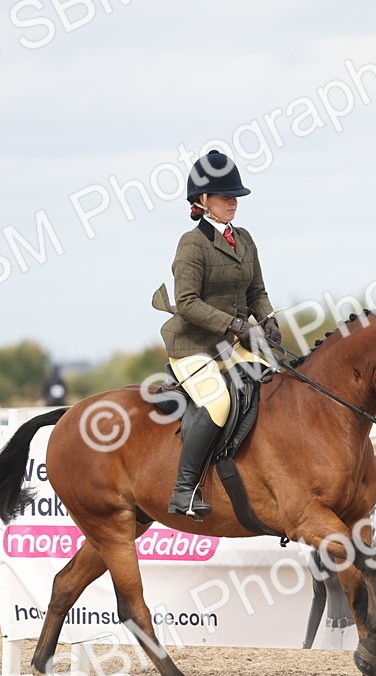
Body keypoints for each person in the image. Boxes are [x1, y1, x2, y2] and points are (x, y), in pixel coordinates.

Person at [150, 150, 282, 520]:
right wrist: (233, 324)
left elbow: (256, 291)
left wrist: (267, 318)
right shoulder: (192, 244)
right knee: (218, 403)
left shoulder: (244, 239)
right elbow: (187, 302)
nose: (233, 202)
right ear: (202, 200)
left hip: (232, 343)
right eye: (225, 196)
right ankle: (184, 490)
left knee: (273, 383)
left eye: (235, 196)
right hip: (194, 345)